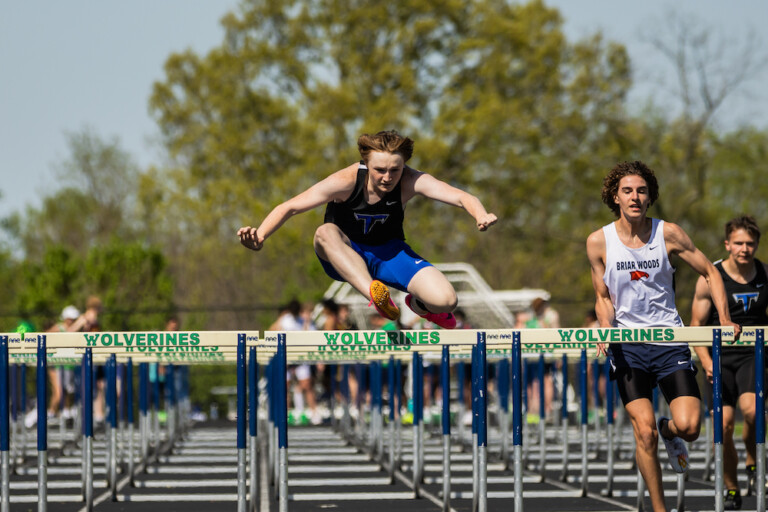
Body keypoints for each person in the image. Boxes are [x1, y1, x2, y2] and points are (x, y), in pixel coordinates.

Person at [586, 160, 739, 512]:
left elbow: (711, 273)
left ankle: (669, 430)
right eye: (627, 191)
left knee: (690, 427)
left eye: (641, 190)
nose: (635, 197)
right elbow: (603, 296)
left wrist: (726, 318)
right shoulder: (599, 241)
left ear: (650, 196)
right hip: (628, 348)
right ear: (615, 197)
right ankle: (659, 508)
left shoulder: (667, 233)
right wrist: (606, 331)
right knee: (643, 433)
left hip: (670, 344)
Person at [238, 130, 497, 329]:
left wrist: (480, 214)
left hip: (389, 254)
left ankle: (418, 304)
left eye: (394, 170)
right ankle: (374, 294)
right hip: (345, 254)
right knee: (325, 231)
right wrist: (260, 235)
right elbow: (290, 206)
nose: (387, 177)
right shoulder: (345, 181)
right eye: (380, 170)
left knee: (447, 300)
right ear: (366, 164)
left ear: (404, 165)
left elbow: (461, 196)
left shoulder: (411, 180)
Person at [691, 215, 768, 509]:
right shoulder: (710, 278)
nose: (744, 249)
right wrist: (706, 361)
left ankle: (752, 459)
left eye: (750, 243)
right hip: (719, 358)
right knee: (722, 426)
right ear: (727, 244)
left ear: (757, 245)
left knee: (752, 413)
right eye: (738, 243)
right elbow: (696, 325)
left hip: (754, 355)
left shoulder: (765, 274)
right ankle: (732, 487)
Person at [46, 305, 81, 420]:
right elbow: (44, 337)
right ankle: (50, 413)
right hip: (55, 363)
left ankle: (65, 411)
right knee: (59, 392)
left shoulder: (76, 329)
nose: (71, 321)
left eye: (73, 319)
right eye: (70, 318)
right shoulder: (59, 327)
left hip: (68, 364)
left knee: (68, 390)